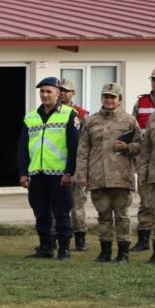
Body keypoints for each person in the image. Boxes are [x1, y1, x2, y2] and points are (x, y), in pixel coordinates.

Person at [17, 76, 81, 261]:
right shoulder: (30, 117)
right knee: (41, 213)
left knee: (62, 213)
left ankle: (64, 249)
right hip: (37, 173)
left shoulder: (70, 114)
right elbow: (22, 148)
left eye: (48, 91)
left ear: (58, 93)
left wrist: (69, 171)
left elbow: (74, 146)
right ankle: (45, 248)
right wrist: (23, 172)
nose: (45, 95)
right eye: (42, 92)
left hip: (59, 174)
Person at [77, 83, 141, 263]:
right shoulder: (91, 121)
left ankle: (123, 252)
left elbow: (142, 146)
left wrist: (128, 146)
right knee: (103, 216)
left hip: (121, 177)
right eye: (106, 96)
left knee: (122, 216)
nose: (109, 100)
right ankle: (105, 251)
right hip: (98, 176)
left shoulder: (129, 120)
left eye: (113, 97)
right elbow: (83, 150)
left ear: (119, 100)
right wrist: (81, 174)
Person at [59, 79, 91, 251]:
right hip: (56, 164)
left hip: (77, 165)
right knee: (55, 205)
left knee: (77, 204)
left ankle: (80, 238)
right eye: (60, 90)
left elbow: (86, 142)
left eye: (66, 91)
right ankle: (55, 238)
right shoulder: (50, 112)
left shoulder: (81, 114)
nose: (63, 93)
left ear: (73, 93)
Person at [131, 67, 155, 252]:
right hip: (146, 159)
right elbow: (133, 129)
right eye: (154, 79)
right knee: (146, 202)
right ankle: (143, 240)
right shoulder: (141, 103)